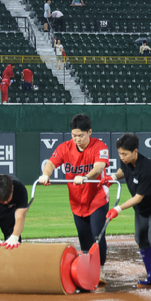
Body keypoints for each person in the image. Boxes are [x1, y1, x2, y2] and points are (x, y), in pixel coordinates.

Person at [38, 114, 111, 285]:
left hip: (97, 198)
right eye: (74, 135)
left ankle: (100, 270)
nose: (77, 139)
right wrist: (45, 174)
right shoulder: (65, 147)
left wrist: (86, 176)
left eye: (81, 135)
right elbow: (51, 162)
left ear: (89, 132)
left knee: (97, 234)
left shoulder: (99, 146)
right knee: (83, 236)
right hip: (77, 201)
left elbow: (99, 166)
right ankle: (86, 267)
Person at [100, 133, 151, 288]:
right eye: (120, 154)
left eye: (125, 154)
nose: (122, 157)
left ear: (135, 151)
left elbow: (138, 197)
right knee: (141, 239)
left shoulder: (147, 169)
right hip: (142, 209)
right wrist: (113, 178)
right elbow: (123, 171)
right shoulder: (126, 161)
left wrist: (118, 209)